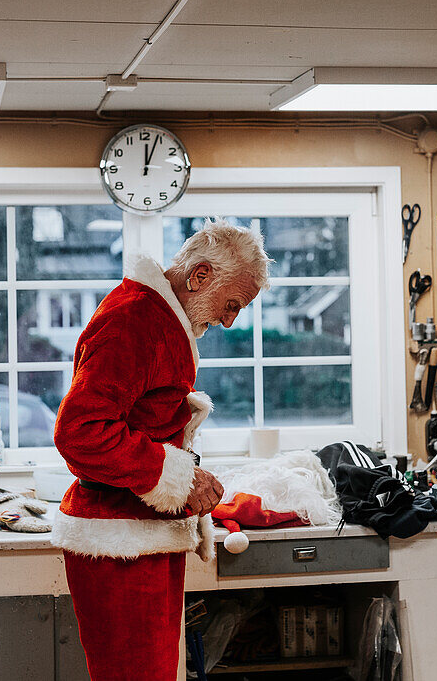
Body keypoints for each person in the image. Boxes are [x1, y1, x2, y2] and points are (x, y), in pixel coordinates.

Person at [52, 217, 270, 680]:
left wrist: (182, 476)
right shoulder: (134, 319)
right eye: (232, 305)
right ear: (200, 276)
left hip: (140, 535)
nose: (230, 321)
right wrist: (181, 478)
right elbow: (80, 431)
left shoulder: (157, 316)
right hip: (119, 541)